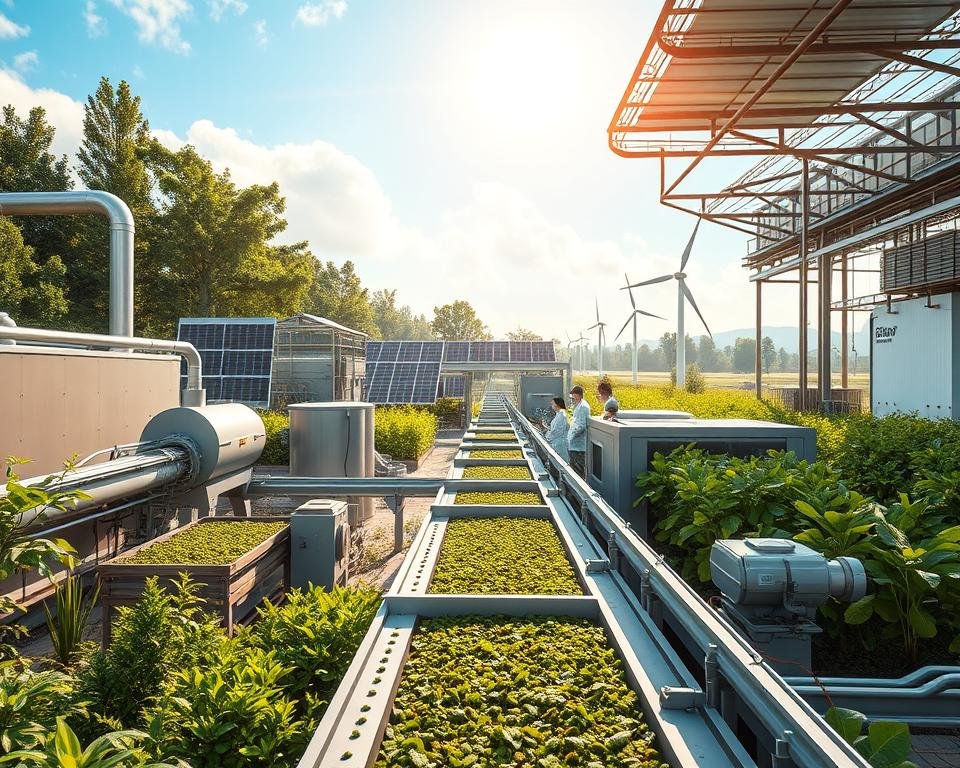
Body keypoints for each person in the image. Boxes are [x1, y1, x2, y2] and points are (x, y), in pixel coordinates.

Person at [567, 385, 590, 477]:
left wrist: (570, 436)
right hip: (575, 444)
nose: (572, 397)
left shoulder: (583, 407)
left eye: (573, 395)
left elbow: (581, 425)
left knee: (578, 470)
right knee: (575, 468)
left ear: (578, 395)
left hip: (578, 445)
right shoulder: (578, 405)